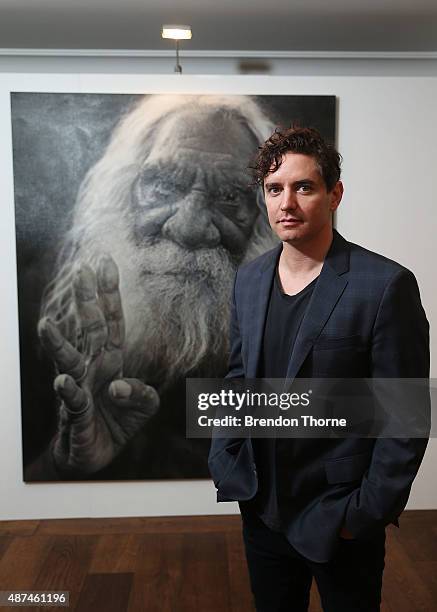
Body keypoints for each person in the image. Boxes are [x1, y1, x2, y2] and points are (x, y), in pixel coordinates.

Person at [208, 126, 430, 611]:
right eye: (274, 189)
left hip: (340, 517)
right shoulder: (248, 280)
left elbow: (407, 417)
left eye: (303, 187)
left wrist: (364, 514)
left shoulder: (385, 285)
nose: (286, 202)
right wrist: (226, 458)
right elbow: (238, 381)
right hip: (261, 508)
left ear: (334, 194)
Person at [26, 95, 277, 480]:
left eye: (230, 197)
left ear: (263, 220)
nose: (190, 227)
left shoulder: (293, 333)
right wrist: (64, 463)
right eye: (163, 185)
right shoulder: (40, 322)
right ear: (122, 194)